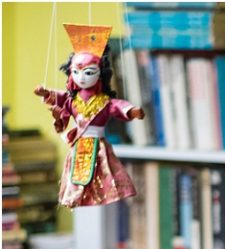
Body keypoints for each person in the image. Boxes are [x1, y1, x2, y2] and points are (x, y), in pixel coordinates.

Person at [34, 24, 144, 208]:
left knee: (104, 172)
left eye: (88, 72)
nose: (82, 78)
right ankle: (73, 198)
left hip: (98, 144)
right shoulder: (72, 99)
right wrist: (46, 94)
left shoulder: (104, 101)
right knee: (75, 175)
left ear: (100, 73)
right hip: (79, 145)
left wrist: (131, 111)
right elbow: (60, 97)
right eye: (76, 72)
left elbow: (118, 106)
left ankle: (105, 195)